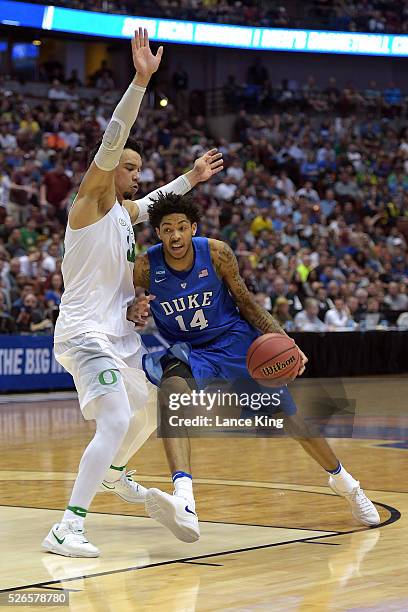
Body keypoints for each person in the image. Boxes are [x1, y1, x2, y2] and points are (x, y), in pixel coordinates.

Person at [42, 29, 224, 559]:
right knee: (118, 419)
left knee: (149, 413)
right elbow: (113, 139)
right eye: (129, 167)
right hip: (83, 335)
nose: (134, 175)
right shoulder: (90, 204)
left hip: (118, 335)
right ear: (109, 168)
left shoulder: (124, 216)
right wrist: (141, 81)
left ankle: (114, 474)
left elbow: (158, 199)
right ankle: (67, 527)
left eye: (138, 171)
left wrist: (189, 179)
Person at [130, 192, 380, 543]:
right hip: (191, 351)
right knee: (171, 394)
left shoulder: (216, 253)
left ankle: (346, 484)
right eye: (167, 229)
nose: (174, 236)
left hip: (234, 344)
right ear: (157, 233)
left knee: (292, 420)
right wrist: (134, 312)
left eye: (181, 228)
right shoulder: (144, 266)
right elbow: (130, 308)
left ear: (193, 229)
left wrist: (285, 341)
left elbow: (246, 303)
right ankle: (184, 499)